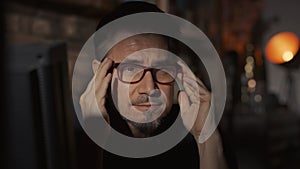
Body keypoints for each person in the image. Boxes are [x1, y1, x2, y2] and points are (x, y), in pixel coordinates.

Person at [79, 1, 237, 169]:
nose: (149, 88)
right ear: (100, 73)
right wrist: (94, 139)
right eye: (131, 68)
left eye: (162, 68)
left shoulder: (195, 129)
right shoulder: (71, 140)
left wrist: (206, 137)